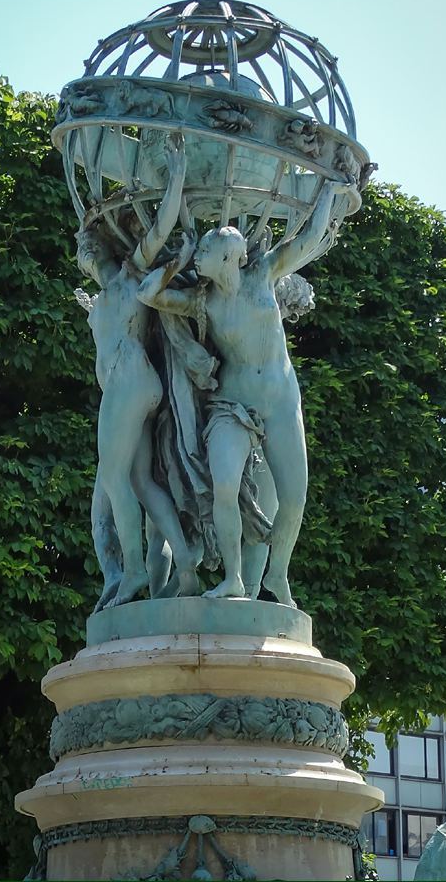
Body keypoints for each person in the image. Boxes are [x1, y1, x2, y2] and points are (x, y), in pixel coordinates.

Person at [137, 178, 360, 606]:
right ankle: (234, 578)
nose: (198, 256)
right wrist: (178, 258)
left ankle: (277, 576)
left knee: (294, 497)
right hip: (231, 406)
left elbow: (309, 238)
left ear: (228, 257)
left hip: (279, 403)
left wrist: (331, 194)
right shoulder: (202, 302)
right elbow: (150, 294)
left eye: (202, 251)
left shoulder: (263, 275)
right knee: (223, 487)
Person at [76, 132, 199, 607]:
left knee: (113, 478)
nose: (86, 253)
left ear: (106, 246)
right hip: (129, 386)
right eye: (82, 249)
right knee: (141, 481)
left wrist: (175, 184)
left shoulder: (130, 275)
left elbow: (160, 231)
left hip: (129, 382)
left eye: (90, 246)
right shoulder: (104, 295)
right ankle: (184, 561)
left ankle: (130, 573)